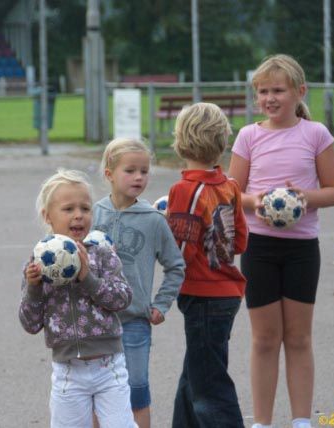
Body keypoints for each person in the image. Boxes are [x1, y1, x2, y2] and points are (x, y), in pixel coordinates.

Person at [228, 53, 334, 428]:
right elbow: (232, 193)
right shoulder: (248, 136)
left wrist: (306, 197)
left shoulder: (316, 134)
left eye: (278, 90)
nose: (270, 98)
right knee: (264, 339)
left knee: (297, 337)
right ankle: (261, 421)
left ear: (299, 92)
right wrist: (255, 203)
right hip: (259, 248)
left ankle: (300, 421)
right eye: (263, 91)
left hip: (301, 250)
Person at [19, 168, 137, 428]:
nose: (78, 215)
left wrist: (88, 278)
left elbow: (122, 298)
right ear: (47, 216)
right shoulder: (39, 262)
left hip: (109, 366)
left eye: (85, 208)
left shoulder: (102, 254)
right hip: (68, 371)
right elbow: (30, 323)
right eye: (68, 209)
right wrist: (34, 287)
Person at [93, 137, 186, 428]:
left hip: (134, 322)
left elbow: (175, 266)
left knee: (136, 390)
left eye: (144, 171)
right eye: (130, 170)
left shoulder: (153, 220)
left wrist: (161, 304)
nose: (138, 177)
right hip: (96, 321)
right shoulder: (93, 214)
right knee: (97, 392)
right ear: (109, 174)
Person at [166, 102, 248, 427]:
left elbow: (181, 247)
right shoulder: (229, 186)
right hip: (227, 293)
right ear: (223, 142)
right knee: (194, 377)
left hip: (203, 295)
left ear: (180, 141)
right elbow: (240, 242)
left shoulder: (184, 189)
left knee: (209, 388)